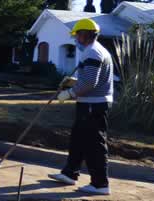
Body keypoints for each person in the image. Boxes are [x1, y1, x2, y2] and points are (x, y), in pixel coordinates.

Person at [48, 18, 113, 195]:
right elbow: (91, 79)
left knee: (94, 145)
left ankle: (100, 184)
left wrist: (69, 93)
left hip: (94, 105)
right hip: (90, 104)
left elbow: (90, 83)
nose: (76, 39)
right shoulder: (93, 51)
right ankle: (70, 173)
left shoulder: (93, 52)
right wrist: (73, 82)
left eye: (77, 35)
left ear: (85, 34)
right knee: (78, 140)